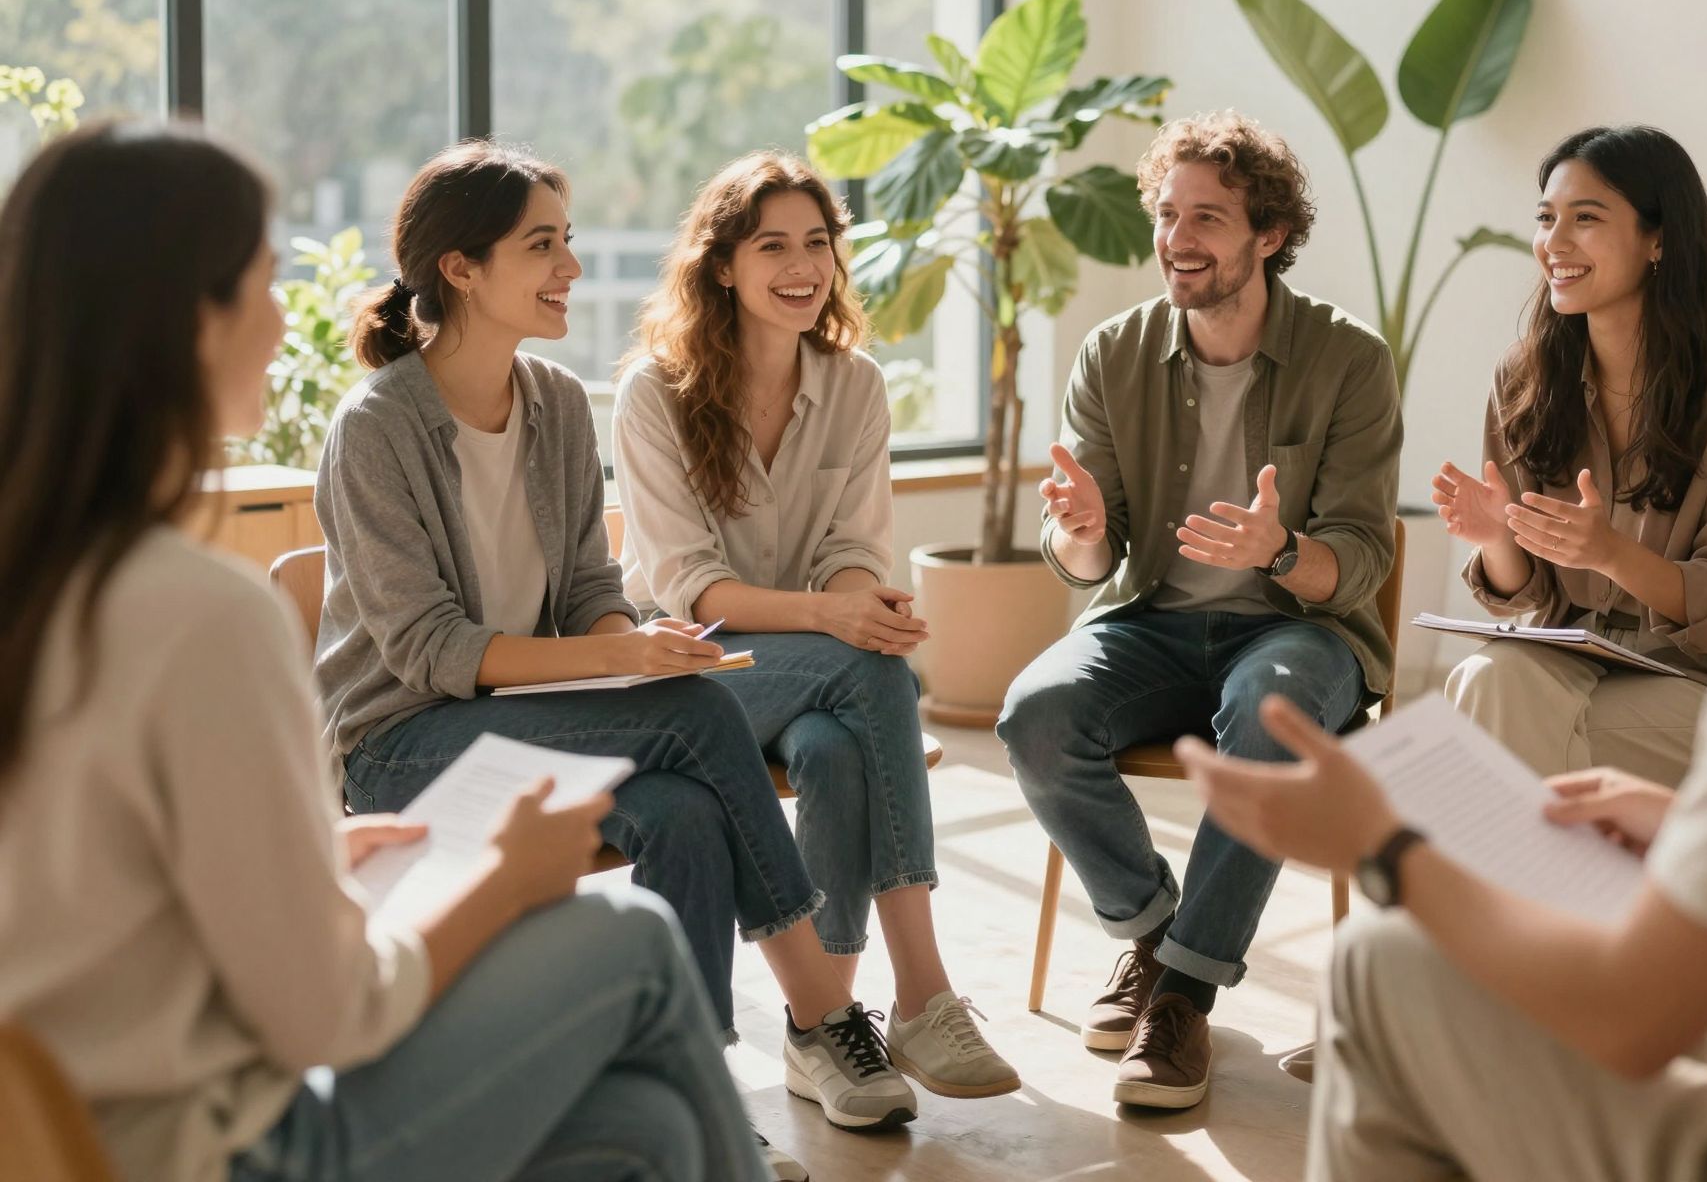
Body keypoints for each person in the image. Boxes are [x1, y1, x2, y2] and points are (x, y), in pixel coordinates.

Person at [1182, 114, 1707, 1182]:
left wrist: (1384, 843)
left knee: (1375, 964)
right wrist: (1691, 819)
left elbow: (1628, 1016)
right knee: (1495, 688)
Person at [0, 120, 769, 1182]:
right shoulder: (199, 614)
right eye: (263, 285)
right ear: (183, 321)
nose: (281, 325)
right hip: (214, 1150)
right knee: (630, 935)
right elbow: (331, 1016)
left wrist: (309, 862)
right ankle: (816, 987)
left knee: (650, 1132)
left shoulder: (46, 581)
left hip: (69, 1130)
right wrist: (502, 881)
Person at [314, 141, 917, 1154]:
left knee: (681, 811)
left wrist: (632, 640)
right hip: (404, 741)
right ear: (461, 269)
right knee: (692, 713)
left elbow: (594, 589)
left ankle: (696, 1086)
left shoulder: (551, 401)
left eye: (569, 242)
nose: (571, 269)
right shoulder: (376, 427)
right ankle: (820, 1008)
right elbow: (427, 651)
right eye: (542, 246)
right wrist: (624, 663)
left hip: (531, 718)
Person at [997, 111, 1401, 1110]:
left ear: (1267, 235)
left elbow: (1359, 557)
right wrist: (1085, 528)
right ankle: (1151, 934)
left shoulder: (1347, 359)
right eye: (1167, 213)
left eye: (1208, 217)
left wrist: (1280, 551)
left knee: (1272, 720)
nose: (1178, 238)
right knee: (1032, 718)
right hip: (1151, 619)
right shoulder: (1113, 352)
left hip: (1296, 630)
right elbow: (1088, 557)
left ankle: (1179, 995)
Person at [613, 150, 1018, 1101]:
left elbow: (851, 543)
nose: (803, 267)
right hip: (690, 674)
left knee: (841, 745)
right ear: (722, 265)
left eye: (818, 244)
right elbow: (688, 588)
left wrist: (855, 606)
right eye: (773, 246)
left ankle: (822, 1027)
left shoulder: (855, 385)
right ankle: (921, 991)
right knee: (872, 678)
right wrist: (835, 617)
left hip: (814, 672)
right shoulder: (654, 393)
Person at [1433, 125, 1707, 783]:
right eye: (1546, 219)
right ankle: (1540, 886)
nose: (1554, 243)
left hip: (1701, 685)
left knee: (1503, 720)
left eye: (1586, 219)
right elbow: (1529, 595)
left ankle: (1490, 886)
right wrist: (1496, 540)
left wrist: (1611, 555)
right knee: (1490, 678)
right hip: (1568, 665)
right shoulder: (1525, 378)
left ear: (1658, 239)